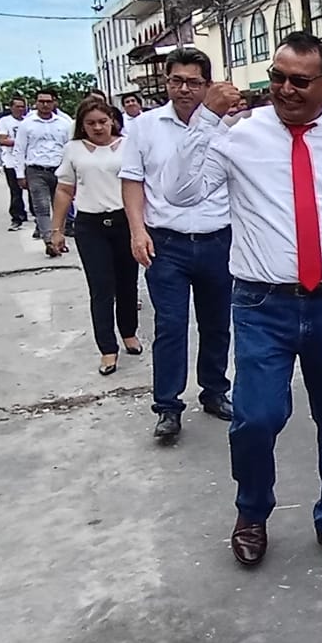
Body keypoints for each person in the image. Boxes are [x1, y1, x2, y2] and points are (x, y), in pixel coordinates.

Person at [151, 32, 322, 572]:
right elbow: (178, 192)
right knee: (257, 417)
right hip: (261, 304)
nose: (285, 89)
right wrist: (205, 120)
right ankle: (252, 512)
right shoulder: (239, 136)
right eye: (277, 78)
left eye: (299, 80)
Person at [120, 46, 233, 442]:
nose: (184, 89)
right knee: (170, 326)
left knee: (217, 323)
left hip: (218, 239)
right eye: (176, 81)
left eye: (194, 82)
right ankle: (168, 406)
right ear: (166, 82)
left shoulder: (228, 126)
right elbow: (132, 180)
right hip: (165, 243)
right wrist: (137, 231)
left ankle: (215, 391)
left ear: (208, 84)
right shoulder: (145, 126)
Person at [49, 98, 142, 374]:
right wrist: (56, 229)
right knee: (101, 288)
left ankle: (129, 333)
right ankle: (107, 348)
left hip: (124, 220)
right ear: (82, 125)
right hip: (91, 225)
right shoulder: (73, 150)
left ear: (112, 120)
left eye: (103, 121)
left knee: (128, 283)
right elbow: (65, 190)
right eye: (90, 123)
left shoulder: (129, 146)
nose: (98, 127)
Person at [14, 90, 73, 248]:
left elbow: (70, 148)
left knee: (61, 207)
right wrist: (19, 174)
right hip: (36, 170)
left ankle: (58, 238)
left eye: (48, 101)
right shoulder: (27, 124)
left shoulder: (63, 123)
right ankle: (49, 242)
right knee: (41, 207)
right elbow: (19, 149)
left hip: (59, 169)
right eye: (41, 101)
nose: (45, 105)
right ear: (36, 103)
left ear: (55, 103)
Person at [0, 96, 29, 229]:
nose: (20, 109)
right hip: (11, 161)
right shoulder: (5, 121)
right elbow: (2, 140)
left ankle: (36, 217)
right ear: (11, 107)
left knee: (33, 191)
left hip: (27, 161)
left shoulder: (28, 121)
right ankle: (17, 217)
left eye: (22, 106)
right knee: (15, 191)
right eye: (17, 106)